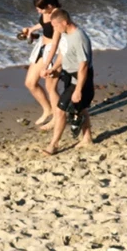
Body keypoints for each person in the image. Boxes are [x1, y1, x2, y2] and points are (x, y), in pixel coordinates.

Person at [41, 9, 93, 155]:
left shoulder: (78, 38)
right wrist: (53, 68)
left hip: (80, 78)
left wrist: (78, 90)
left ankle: (53, 145)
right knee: (80, 108)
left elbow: (83, 66)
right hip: (70, 76)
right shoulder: (67, 34)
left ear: (64, 22)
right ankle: (87, 137)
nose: (55, 30)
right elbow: (63, 54)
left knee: (60, 110)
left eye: (56, 26)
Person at [19, 0, 62, 126]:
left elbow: (55, 42)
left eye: (40, 9)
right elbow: (44, 25)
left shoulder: (59, 16)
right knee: (30, 83)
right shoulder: (45, 12)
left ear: (49, 5)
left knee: (51, 88)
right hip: (42, 47)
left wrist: (47, 64)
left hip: (55, 52)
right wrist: (31, 29)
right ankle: (47, 110)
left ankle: (57, 117)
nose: (38, 11)